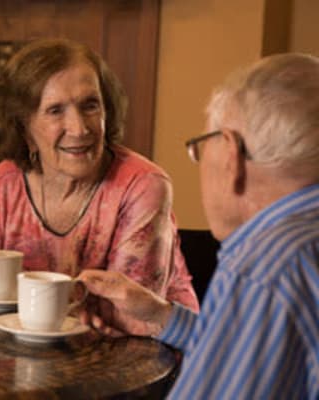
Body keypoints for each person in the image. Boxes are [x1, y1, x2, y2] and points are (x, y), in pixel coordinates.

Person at [79, 53, 319, 398]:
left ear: (231, 155)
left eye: (201, 147)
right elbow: (247, 355)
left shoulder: (266, 264)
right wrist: (162, 317)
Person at [0, 39, 199, 312]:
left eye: (90, 105)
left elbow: (132, 317)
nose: (79, 128)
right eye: (55, 110)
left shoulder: (142, 185)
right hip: (28, 345)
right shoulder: (5, 183)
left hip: (147, 349)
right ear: (24, 127)